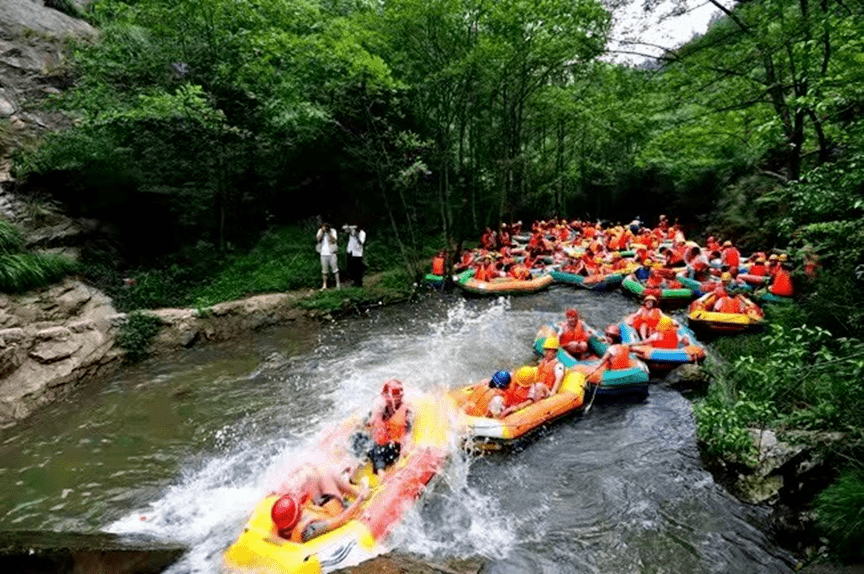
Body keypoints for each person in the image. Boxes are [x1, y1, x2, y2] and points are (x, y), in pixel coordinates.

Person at [270, 465, 370, 543]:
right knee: (327, 476)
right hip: (335, 512)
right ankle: (360, 493)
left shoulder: (281, 522)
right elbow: (342, 519)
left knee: (311, 474)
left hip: (317, 508)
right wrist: (359, 499)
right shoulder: (307, 530)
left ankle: (348, 483)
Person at [366, 379, 412, 477]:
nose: (390, 400)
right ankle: (349, 472)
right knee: (359, 438)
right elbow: (369, 425)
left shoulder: (407, 412)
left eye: (393, 397)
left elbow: (407, 438)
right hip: (379, 447)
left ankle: (381, 472)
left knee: (374, 446)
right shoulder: (381, 410)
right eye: (387, 397)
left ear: (400, 397)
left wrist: (401, 463)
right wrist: (374, 415)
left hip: (394, 450)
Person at [316, 222, 340, 290]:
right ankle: (324, 285)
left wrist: (328, 233)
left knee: (335, 270)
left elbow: (333, 241)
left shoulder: (333, 231)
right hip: (323, 253)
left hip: (332, 253)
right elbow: (318, 239)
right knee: (324, 271)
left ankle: (338, 284)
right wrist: (322, 232)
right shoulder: (320, 231)